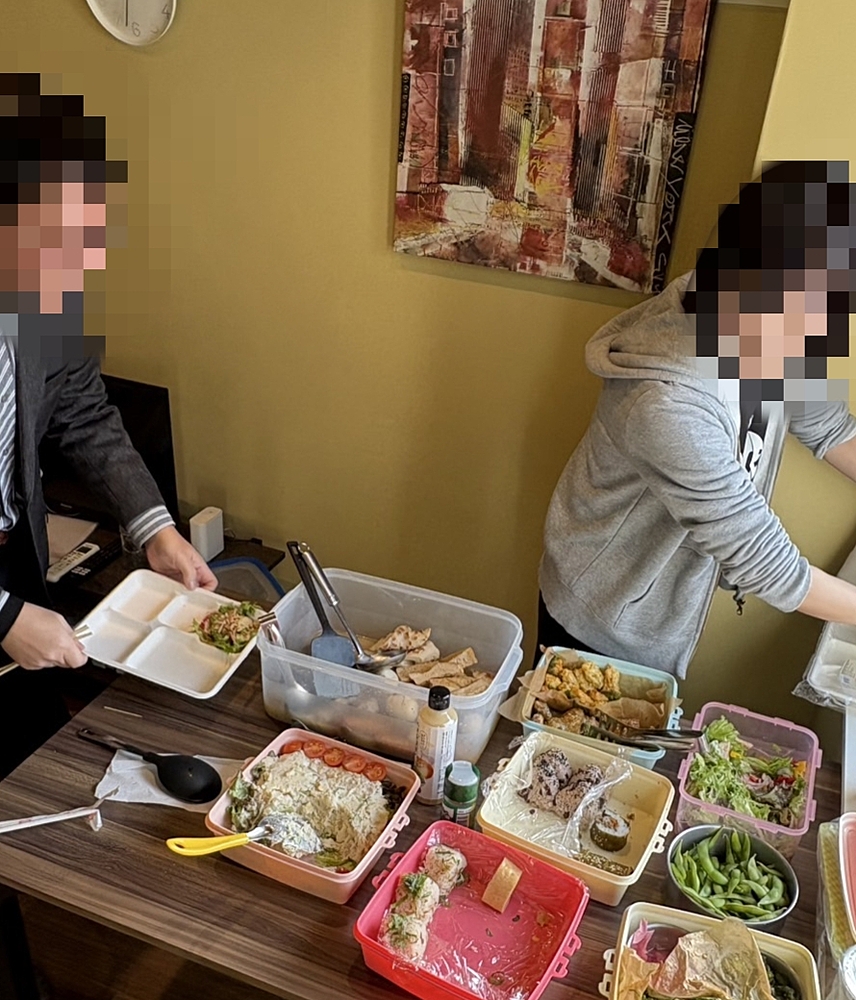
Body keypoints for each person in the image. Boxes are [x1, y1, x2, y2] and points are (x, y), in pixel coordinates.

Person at [538, 160, 856, 678]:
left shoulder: (759, 317)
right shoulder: (668, 404)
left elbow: (828, 424)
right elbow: (766, 563)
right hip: (605, 616)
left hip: (660, 601)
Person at [0, 73, 217, 777]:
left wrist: (156, 529)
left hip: (15, 552)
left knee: (35, 762)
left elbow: (84, 409)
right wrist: (3, 618)